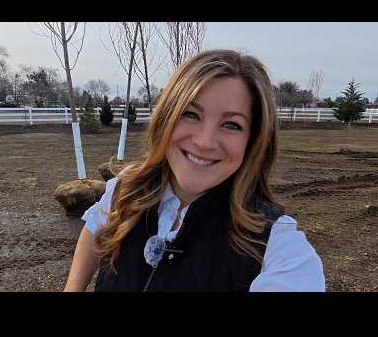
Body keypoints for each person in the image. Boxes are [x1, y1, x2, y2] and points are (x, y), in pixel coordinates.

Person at [64, 49, 325, 292]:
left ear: (253, 140)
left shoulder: (279, 250)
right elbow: (93, 229)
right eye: (190, 114)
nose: (204, 141)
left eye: (232, 125)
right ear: (167, 117)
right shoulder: (127, 188)